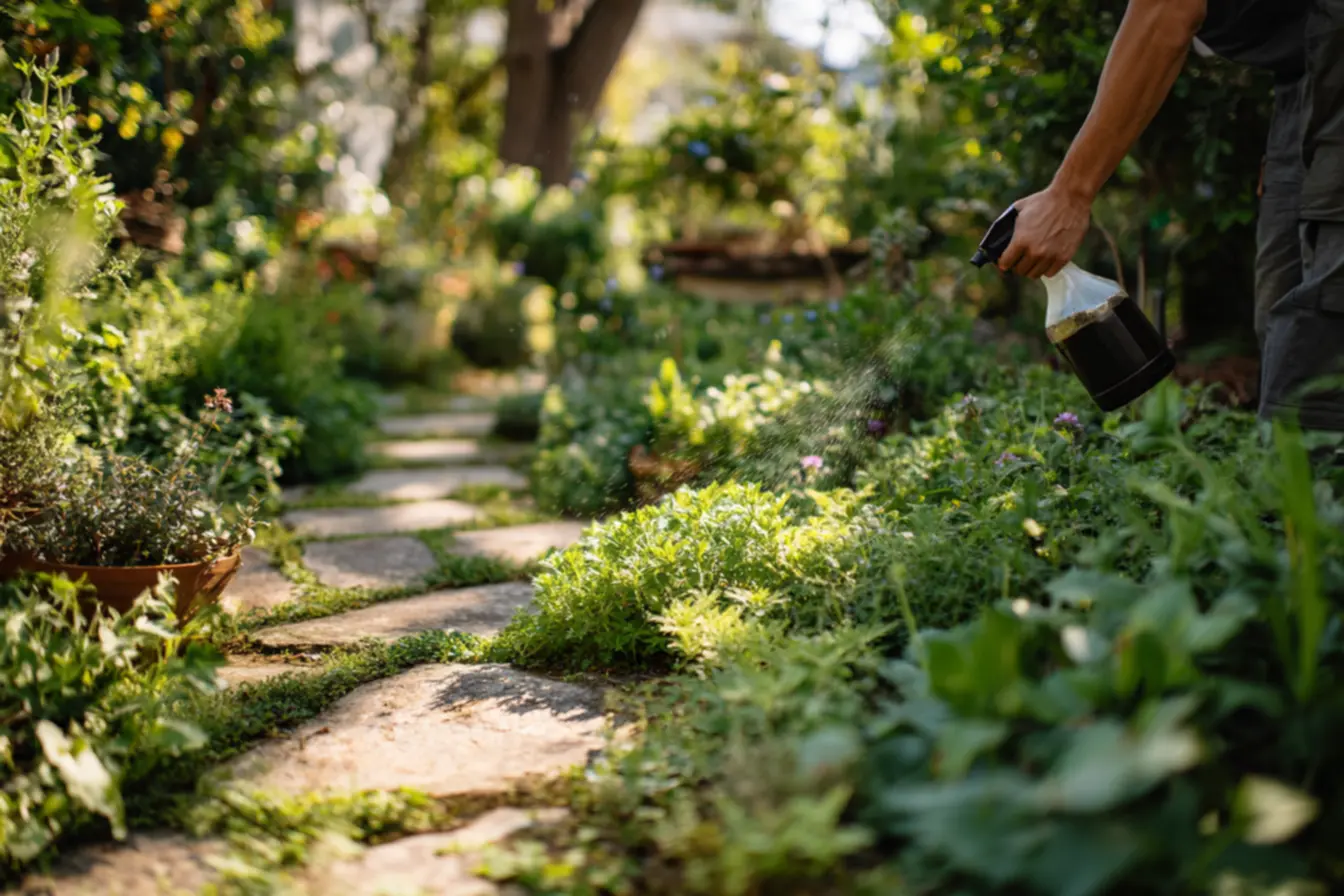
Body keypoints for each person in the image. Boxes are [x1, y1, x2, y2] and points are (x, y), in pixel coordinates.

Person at [999, 0, 1343, 432]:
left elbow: (1169, 7)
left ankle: (1314, 484)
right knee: (1285, 318)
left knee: (1323, 330)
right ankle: (1291, 483)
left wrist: (1069, 194)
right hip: (1307, 73)